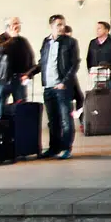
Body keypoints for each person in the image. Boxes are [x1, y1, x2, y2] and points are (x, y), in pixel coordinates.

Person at [36, 14, 80, 160]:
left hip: (62, 87)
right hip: (48, 87)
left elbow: (74, 64)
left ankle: (66, 148)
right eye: (58, 25)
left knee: (66, 120)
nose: (62, 27)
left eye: (63, 24)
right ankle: (53, 148)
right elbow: (42, 62)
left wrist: (64, 82)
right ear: (51, 26)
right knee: (53, 121)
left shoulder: (70, 42)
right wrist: (29, 74)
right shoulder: (46, 41)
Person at [0, 16, 35, 117]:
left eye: (19, 23)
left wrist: (28, 74)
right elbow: (2, 50)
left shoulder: (22, 41)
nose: (18, 26)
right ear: (8, 26)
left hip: (19, 79)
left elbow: (29, 57)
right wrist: (12, 38)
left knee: (21, 109)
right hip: (2, 79)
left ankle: (19, 126)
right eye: (15, 23)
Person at [86, 21, 111, 91]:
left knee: (109, 96)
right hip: (94, 76)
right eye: (96, 28)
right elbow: (89, 58)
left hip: (109, 76)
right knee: (94, 96)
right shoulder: (93, 43)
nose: (97, 30)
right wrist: (90, 71)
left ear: (106, 30)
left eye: (99, 28)